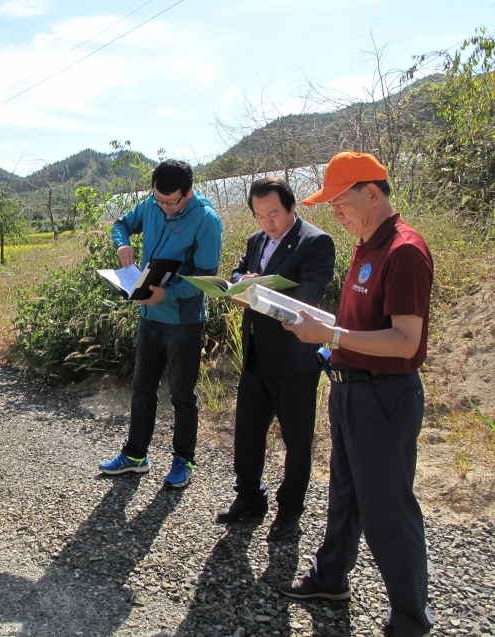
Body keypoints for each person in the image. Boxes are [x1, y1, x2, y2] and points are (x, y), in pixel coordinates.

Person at [278, 152, 435, 637]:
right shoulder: (367, 245)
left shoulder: (403, 250)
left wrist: (333, 338)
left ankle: (410, 618)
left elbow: (406, 340)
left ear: (372, 192)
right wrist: (324, 327)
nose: (336, 213)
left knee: (388, 507)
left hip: (384, 398)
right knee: (345, 494)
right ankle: (331, 578)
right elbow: (359, 326)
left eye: (341, 202)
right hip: (349, 391)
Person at [216, 177, 335, 541]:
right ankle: (250, 496)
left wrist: (263, 289)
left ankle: (289, 512)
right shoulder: (256, 241)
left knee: (297, 442)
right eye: (259, 215)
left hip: (293, 358)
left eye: (274, 213)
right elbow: (238, 273)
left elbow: (311, 291)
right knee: (248, 433)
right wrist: (244, 279)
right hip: (255, 353)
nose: (268, 222)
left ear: (291, 207)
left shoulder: (315, 241)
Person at [98, 160, 223, 488]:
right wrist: (121, 242)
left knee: (182, 393)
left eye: (172, 202)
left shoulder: (206, 221)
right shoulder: (151, 206)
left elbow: (205, 280)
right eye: (159, 200)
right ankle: (136, 455)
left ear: (189, 192)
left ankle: (184, 459)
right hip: (148, 317)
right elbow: (121, 224)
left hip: (183, 323)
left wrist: (164, 294)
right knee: (142, 389)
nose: (165, 208)